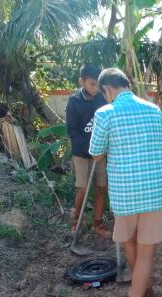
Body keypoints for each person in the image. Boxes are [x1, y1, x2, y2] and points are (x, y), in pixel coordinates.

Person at [89, 68, 162, 297]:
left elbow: (96, 154)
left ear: (106, 90)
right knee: (146, 252)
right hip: (153, 192)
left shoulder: (105, 113)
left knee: (131, 247)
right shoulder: (153, 110)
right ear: (127, 84)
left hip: (125, 194)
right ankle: (147, 294)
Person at [65, 63, 111, 239]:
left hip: (100, 154)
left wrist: (100, 149)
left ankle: (97, 224)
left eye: (98, 84)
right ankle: (76, 222)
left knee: (101, 188)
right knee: (83, 189)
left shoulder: (102, 99)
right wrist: (91, 150)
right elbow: (73, 132)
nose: (96, 88)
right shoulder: (74, 102)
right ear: (81, 81)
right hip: (82, 154)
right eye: (92, 84)